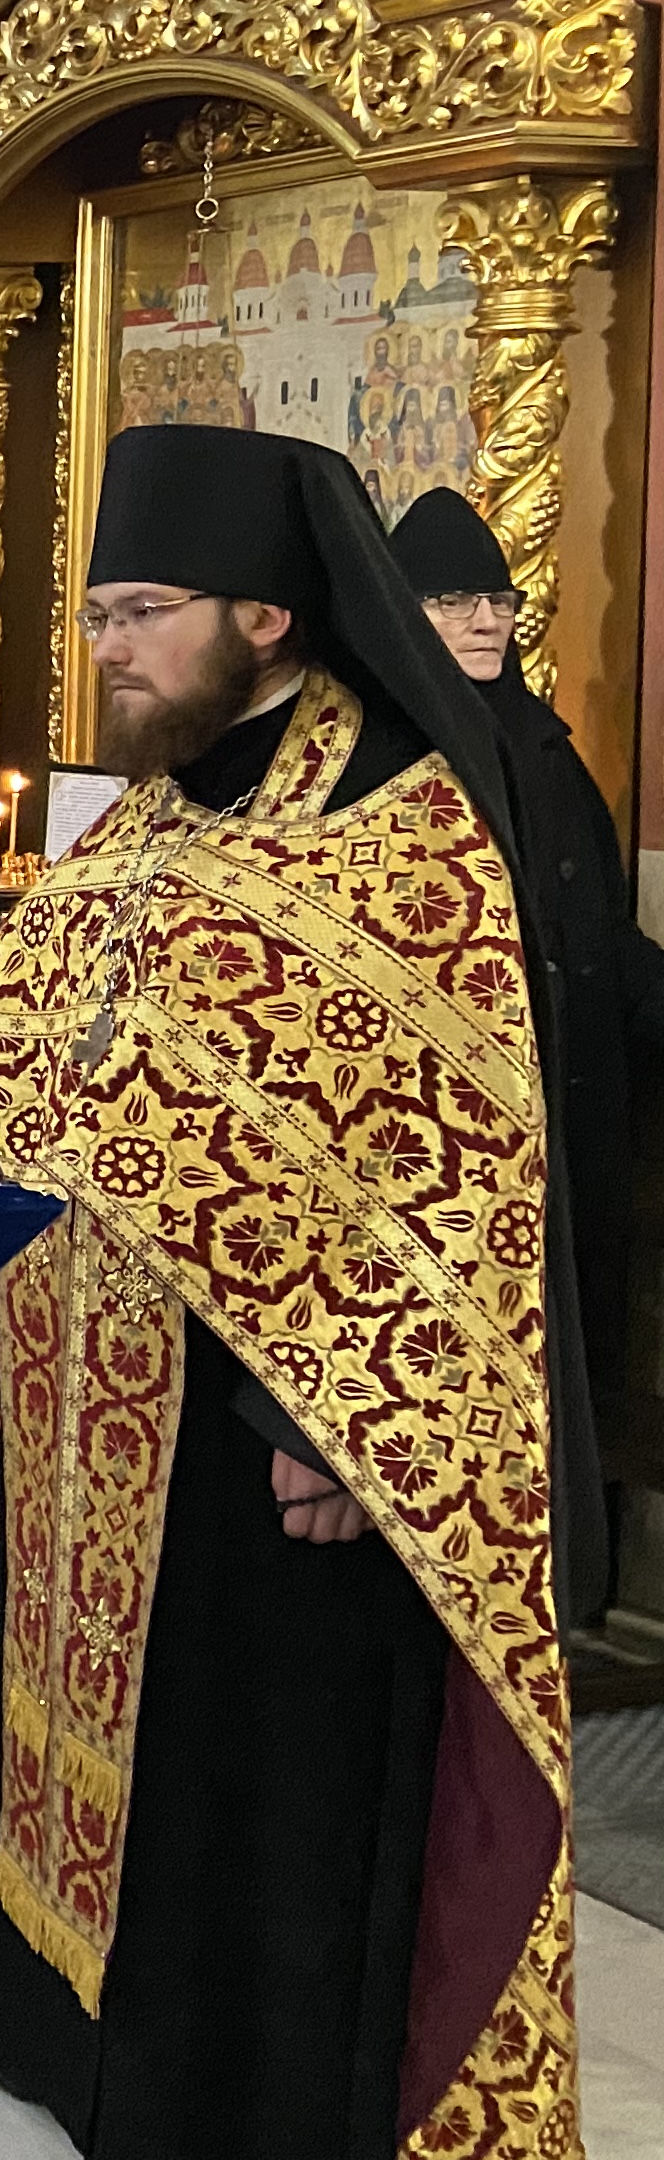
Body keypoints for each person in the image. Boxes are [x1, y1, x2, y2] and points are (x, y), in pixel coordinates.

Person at [0, 426, 589, 2160]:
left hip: (272, 1426)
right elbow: (30, 1065)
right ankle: (78, 2053)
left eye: (142, 611)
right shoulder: (157, 810)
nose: (107, 648)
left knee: (249, 1776)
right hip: (89, 1384)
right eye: (97, 613)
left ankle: (255, 2137)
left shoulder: (400, 827)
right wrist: (2, 1298)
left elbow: (440, 1172)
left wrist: (335, 1419)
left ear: (266, 615)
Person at [395, 484, 664, 1556]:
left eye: (499, 600)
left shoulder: (546, 750)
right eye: (454, 601)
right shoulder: (393, 759)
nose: (486, 621)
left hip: (572, 1118)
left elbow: (602, 942)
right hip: (463, 1141)